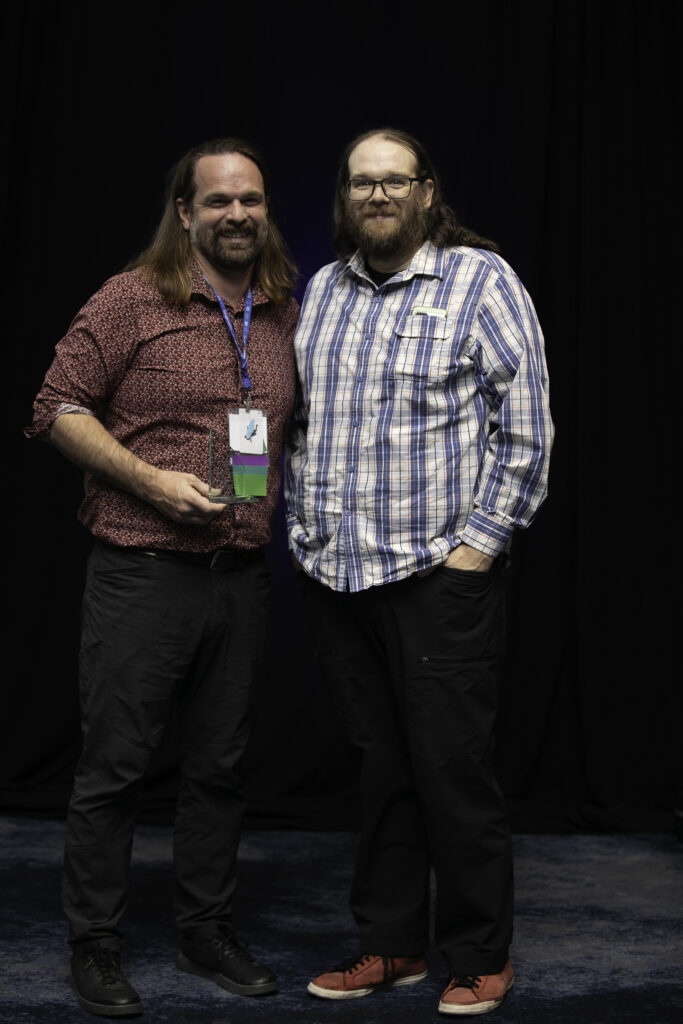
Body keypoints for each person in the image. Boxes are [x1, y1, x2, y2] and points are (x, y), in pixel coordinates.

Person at [26, 137, 299, 1017]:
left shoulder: (281, 308)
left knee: (219, 768)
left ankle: (205, 928)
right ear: (184, 212)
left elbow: (274, 427)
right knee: (115, 768)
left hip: (241, 575)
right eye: (217, 201)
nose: (236, 215)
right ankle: (95, 945)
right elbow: (54, 407)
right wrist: (148, 481)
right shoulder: (131, 298)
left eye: (249, 200)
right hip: (143, 573)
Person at [285, 128, 553, 1016]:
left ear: (427, 192)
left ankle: (478, 954)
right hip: (339, 577)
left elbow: (526, 431)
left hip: (440, 575)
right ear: (345, 197)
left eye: (393, 181)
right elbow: (295, 425)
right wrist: (294, 522)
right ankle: (389, 946)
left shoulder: (482, 282)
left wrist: (480, 546)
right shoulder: (322, 292)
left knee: (450, 768)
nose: (376, 196)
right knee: (378, 768)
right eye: (361, 183)